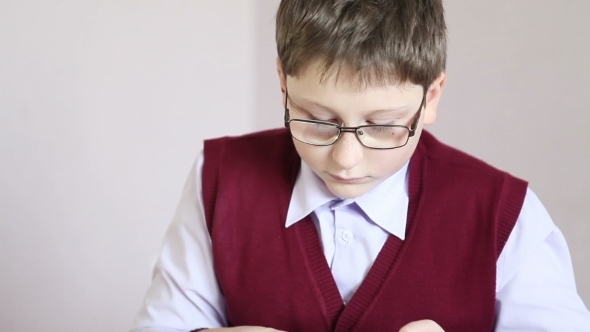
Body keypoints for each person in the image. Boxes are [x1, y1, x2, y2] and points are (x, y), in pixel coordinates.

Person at [130, 0, 590, 331]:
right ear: (283, 86)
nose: (346, 160)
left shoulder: (503, 215)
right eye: (317, 119)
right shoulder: (219, 179)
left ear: (430, 98)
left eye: (384, 126)